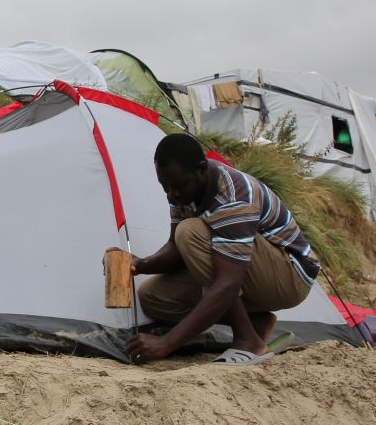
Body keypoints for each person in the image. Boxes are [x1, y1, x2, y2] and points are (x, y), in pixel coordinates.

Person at [124, 133, 318, 365]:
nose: (172, 194)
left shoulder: (234, 196)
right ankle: (255, 322)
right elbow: (175, 248)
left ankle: (248, 341)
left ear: (201, 169)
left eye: (176, 186)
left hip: (290, 276)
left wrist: (165, 343)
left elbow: (228, 283)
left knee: (190, 231)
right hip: (247, 272)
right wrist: (140, 264)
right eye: (165, 187)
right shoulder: (183, 189)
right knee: (153, 297)